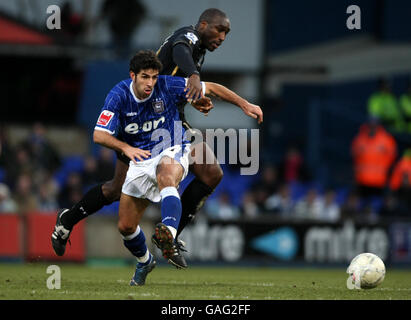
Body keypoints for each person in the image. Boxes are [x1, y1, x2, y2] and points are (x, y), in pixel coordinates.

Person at [52, 50, 262, 285]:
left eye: (154, 77)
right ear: (133, 76)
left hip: (172, 145)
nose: (151, 82)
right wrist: (126, 148)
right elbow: (99, 135)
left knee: (167, 173)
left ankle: (169, 236)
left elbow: (211, 87)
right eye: (145, 77)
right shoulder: (119, 95)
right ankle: (145, 261)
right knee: (126, 226)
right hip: (139, 158)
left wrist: (244, 104)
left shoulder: (167, 85)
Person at [51, 8, 239, 258]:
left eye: (226, 33)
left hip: (170, 121)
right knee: (115, 189)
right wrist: (194, 75)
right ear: (203, 25)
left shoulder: (199, 50)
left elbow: (185, 84)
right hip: (144, 122)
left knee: (211, 173)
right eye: (219, 29)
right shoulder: (189, 37)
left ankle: (171, 236)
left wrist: (195, 99)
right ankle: (68, 219)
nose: (222, 36)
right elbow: (180, 47)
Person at [351, 117, 397, 199]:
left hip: (379, 181)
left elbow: (392, 158)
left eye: (374, 125)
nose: (372, 127)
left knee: (376, 205)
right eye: (370, 124)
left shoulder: (387, 140)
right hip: (362, 180)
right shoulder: (360, 139)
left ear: (378, 125)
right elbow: (354, 156)